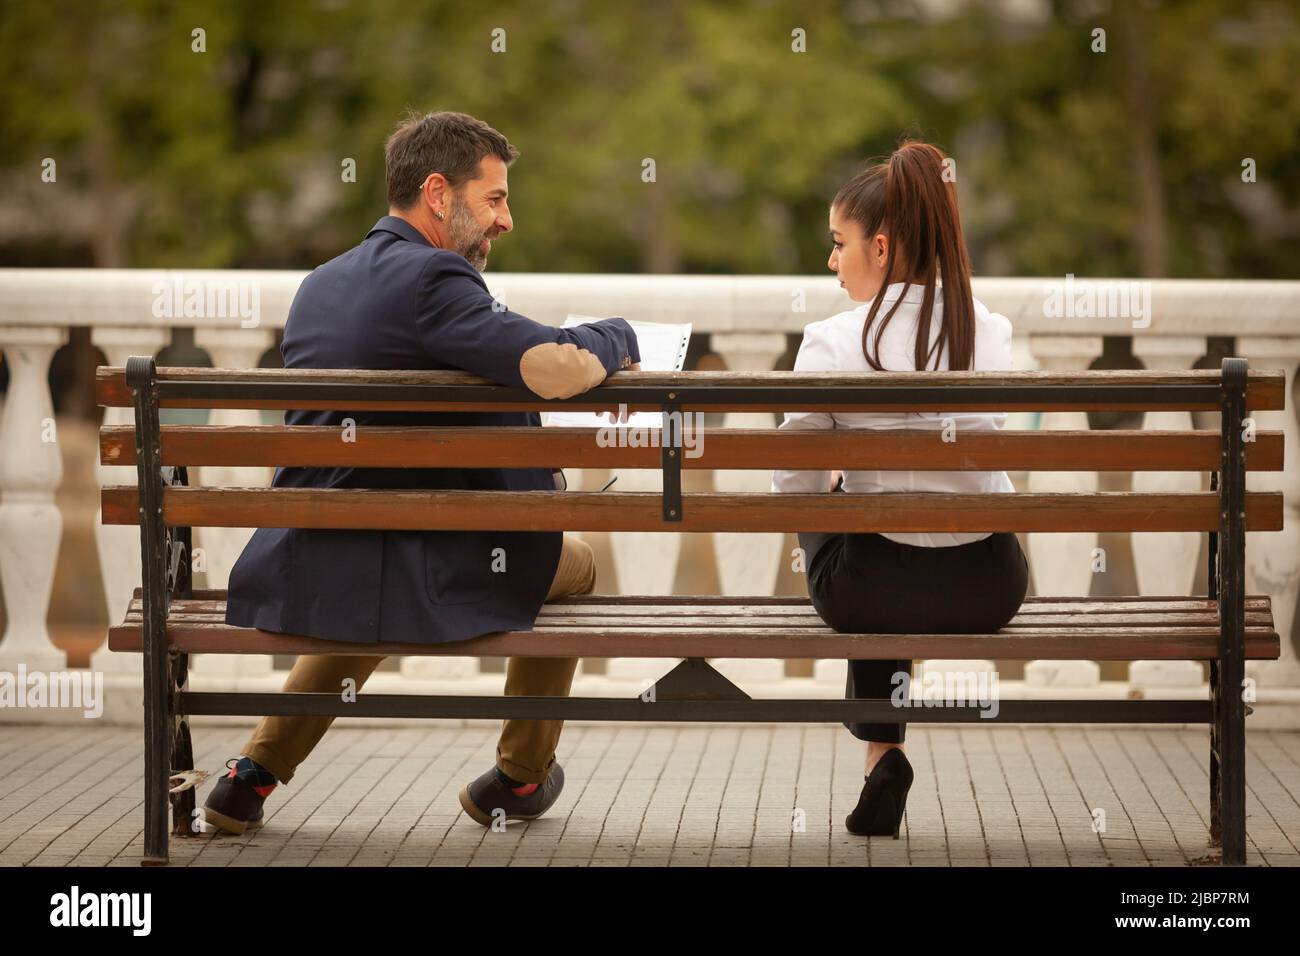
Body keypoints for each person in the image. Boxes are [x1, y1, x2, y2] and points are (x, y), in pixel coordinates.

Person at [203, 111, 640, 834]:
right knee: (578, 562)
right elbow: (553, 365)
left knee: (372, 570)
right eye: (495, 199)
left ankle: (251, 774)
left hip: (316, 553)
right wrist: (618, 334)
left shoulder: (322, 282)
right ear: (438, 193)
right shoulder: (436, 278)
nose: (507, 220)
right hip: (419, 565)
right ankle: (520, 777)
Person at [771, 140, 1030, 838]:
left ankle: (882, 752)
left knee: (855, 528)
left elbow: (790, 487)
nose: (832, 262)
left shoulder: (830, 341)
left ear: (880, 248)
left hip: (870, 591)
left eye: (839, 244)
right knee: (874, 527)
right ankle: (880, 759)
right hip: (988, 586)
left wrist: (835, 482)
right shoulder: (991, 331)